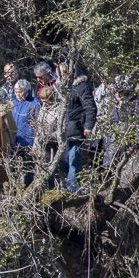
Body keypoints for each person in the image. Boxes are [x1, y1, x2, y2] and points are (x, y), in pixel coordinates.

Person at [57, 62, 97, 192]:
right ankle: (66, 184)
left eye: (63, 73)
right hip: (62, 131)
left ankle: (73, 189)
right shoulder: (61, 88)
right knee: (62, 161)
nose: (62, 76)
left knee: (74, 160)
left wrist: (88, 126)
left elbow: (90, 107)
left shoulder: (81, 87)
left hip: (76, 129)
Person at [102, 77, 139, 168]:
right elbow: (110, 125)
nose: (117, 94)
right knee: (109, 168)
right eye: (116, 92)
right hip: (113, 146)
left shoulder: (136, 104)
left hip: (128, 144)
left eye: (120, 91)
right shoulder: (113, 105)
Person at [10, 79, 40, 186]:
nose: (18, 94)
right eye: (16, 91)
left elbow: (38, 124)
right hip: (13, 141)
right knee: (11, 167)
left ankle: (29, 190)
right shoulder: (12, 102)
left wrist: (35, 143)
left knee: (28, 168)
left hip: (28, 142)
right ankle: (13, 189)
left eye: (21, 91)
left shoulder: (34, 104)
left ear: (27, 91)